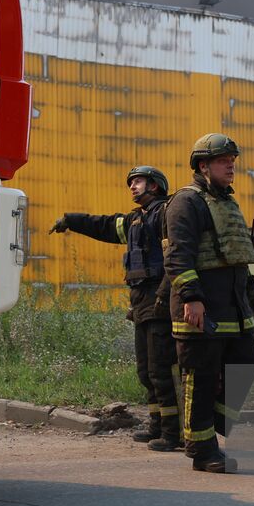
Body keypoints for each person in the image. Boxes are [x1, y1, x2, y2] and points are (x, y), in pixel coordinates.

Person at [50, 166, 181, 451]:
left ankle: (173, 434)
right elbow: (105, 225)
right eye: (131, 183)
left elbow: (177, 258)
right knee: (146, 371)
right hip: (140, 301)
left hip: (160, 300)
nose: (132, 187)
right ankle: (156, 425)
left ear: (155, 185)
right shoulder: (135, 221)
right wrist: (71, 220)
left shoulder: (166, 214)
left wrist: (163, 294)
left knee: (162, 370)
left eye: (138, 181)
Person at [164, 133, 254, 474]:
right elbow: (178, 256)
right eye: (224, 160)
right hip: (201, 307)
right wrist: (191, 298)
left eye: (232, 159)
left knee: (247, 361)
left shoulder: (225, 201)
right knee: (201, 378)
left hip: (233, 305)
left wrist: (250, 293)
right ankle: (202, 450)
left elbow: (235, 253)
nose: (231, 165)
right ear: (203, 166)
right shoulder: (186, 202)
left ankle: (218, 423)